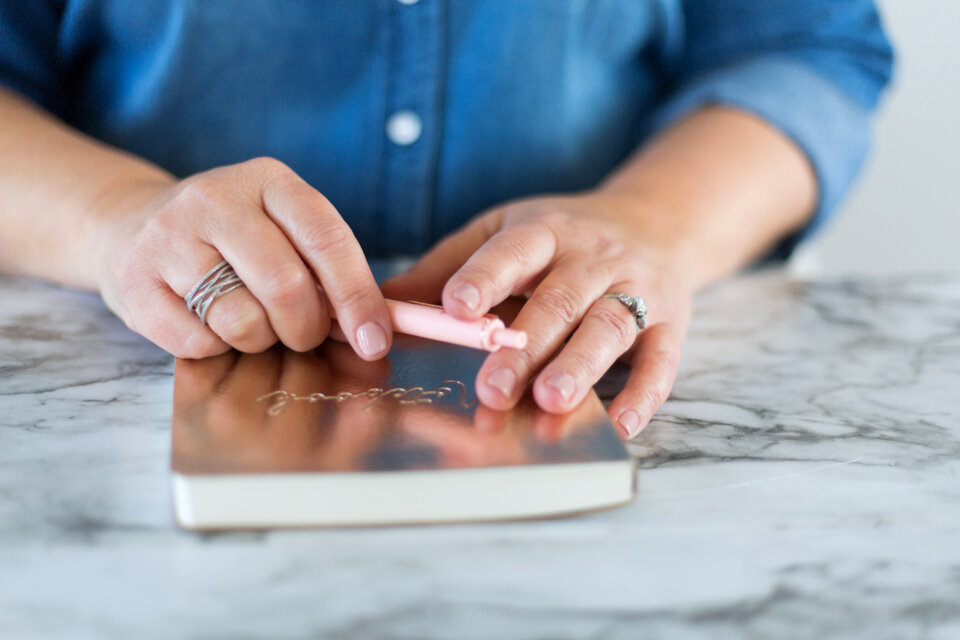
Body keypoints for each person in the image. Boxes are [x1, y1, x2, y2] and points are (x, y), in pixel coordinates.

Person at [0, 1, 893, 438]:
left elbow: (804, 48)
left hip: (587, 373)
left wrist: (651, 220)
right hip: (109, 389)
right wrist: (112, 216)